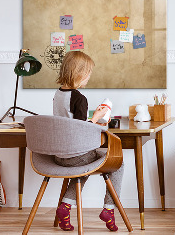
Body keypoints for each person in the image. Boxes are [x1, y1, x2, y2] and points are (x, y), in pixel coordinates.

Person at [53, 51, 124, 232]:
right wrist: (98, 117)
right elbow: (81, 130)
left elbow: (70, 123)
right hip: (76, 155)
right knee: (118, 163)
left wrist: (94, 119)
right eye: (88, 74)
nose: (88, 78)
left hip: (59, 155)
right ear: (79, 73)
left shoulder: (58, 94)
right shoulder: (79, 98)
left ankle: (65, 207)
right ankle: (109, 209)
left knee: (83, 167)